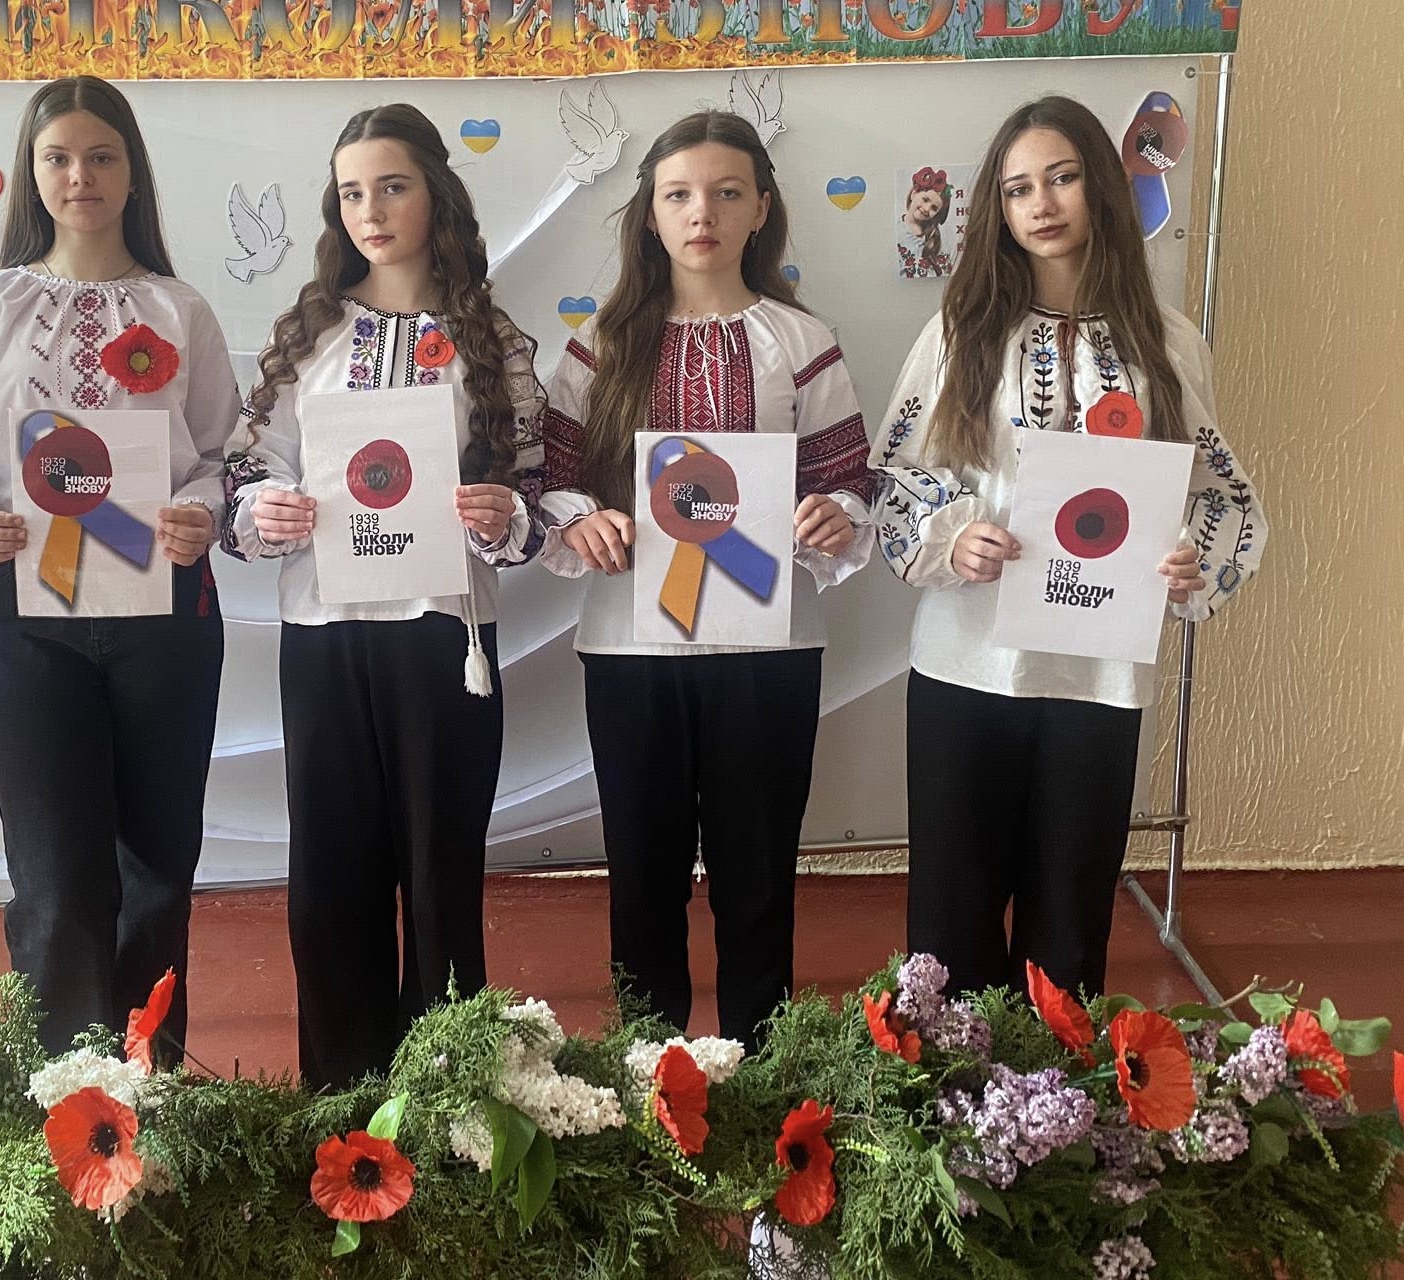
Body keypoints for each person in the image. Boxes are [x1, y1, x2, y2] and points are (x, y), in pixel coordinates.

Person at [872, 94, 1267, 997]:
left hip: (1098, 673)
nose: (1042, 204)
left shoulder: (1166, 342)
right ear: (998, 210)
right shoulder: (960, 332)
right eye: (1018, 189)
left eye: (1062, 178)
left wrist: (1188, 560)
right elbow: (897, 476)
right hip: (966, 663)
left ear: (1102, 187)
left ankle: (1054, 1085)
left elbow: (1215, 489)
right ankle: (953, 1081)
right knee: (951, 917)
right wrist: (950, 539)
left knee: (1071, 914)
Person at [222, 104, 545, 1087]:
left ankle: (448, 1101)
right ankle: (342, 1101)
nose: (370, 210)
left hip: (445, 636)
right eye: (352, 192)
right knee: (331, 875)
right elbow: (248, 468)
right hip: (325, 633)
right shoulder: (310, 334)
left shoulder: (493, 340)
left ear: (435, 194)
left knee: (441, 876)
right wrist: (266, 506)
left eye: (392, 186)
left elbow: (535, 492)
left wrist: (501, 512)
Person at [538, 110, 877, 1044]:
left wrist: (833, 512)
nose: (703, 214)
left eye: (728, 193)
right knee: (641, 874)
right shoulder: (600, 345)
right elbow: (550, 480)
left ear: (762, 208)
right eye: (679, 194)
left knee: (757, 878)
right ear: (650, 214)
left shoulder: (801, 340)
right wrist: (585, 518)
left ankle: (761, 1067)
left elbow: (851, 480)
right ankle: (649, 1071)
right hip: (630, 650)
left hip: (768, 650)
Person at [0, 76, 238, 1055]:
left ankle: (151, 1086)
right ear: (31, 173)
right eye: (57, 158)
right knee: (54, 879)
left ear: (132, 172)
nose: (80, 176)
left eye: (101, 156)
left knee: (156, 873)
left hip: (164, 615)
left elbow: (222, 456)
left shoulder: (179, 309)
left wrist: (202, 513)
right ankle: (63, 1092)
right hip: (31, 618)